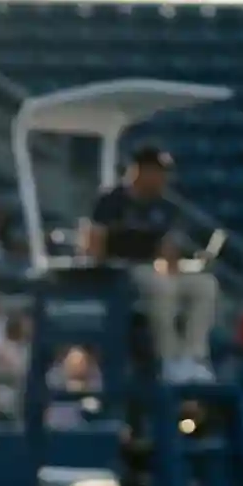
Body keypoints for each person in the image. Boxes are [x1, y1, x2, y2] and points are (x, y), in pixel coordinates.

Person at [79, 145, 218, 381]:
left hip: (152, 269)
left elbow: (167, 255)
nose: (163, 178)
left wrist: (190, 266)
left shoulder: (163, 207)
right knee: (161, 286)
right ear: (140, 171)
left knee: (205, 285)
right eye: (158, 171)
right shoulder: (111, 201)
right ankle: (169, 360)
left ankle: (193, 358)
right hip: (119, 271)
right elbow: (93, 245)